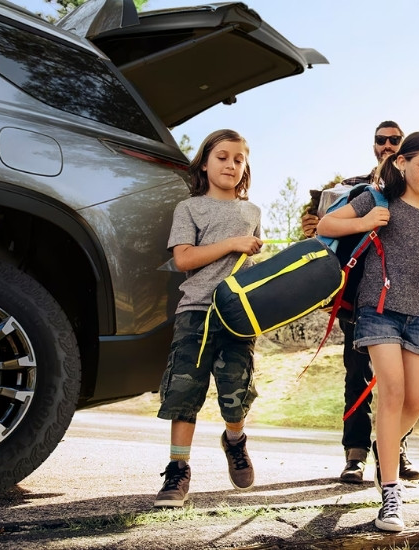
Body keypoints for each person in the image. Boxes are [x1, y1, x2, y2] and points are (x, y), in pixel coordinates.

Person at [316, 131, 419, 532]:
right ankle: (390, 493)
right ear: (402, 162)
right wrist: (365, 221)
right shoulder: (377, 198)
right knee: (392, 391)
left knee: (414, 403)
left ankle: (383, 445)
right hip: (377, 312)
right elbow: (325, 223)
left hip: (418, 318)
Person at [300, 120, 419, 485]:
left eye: (394, 139)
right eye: (381, 139)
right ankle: (355, 453)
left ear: (404, 148)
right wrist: (314, 228)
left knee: (398, 382)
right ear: (374, 146)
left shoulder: (416, 189)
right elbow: (325, 233)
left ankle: (395, 451)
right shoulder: (352, 188)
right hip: (356, 296)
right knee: (358, 374)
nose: (387, 144)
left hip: (401, 298)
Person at [154, 129, 264, 508]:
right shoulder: (189, 209)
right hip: (196, 312)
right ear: (204, 163)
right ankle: (177, 469)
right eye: (222, 157)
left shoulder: (252, 212)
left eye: (238, 159)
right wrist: (232, 243)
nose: (231, 165)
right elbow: (183, 258)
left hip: (238, 316)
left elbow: (252, 266)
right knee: (184, 392)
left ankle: (235, 440)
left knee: (237, 393)